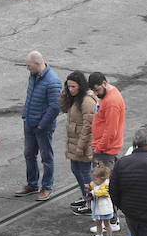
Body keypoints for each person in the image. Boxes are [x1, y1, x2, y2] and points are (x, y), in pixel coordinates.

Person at [16, 51, 61, 202]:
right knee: (29, 154)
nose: (27, 69)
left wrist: (42, 125)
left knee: (46, 157)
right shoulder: (33, 76)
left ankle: (47, 187)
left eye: (29, 66)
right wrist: (25, 114)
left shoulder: (52, 81)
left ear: (37, 64)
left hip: (42, 127)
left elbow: (55, 107)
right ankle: (32, 184)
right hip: (29, 122)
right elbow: (30, 96)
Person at [60, 71, 94, 212]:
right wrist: (64, 94)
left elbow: (89, 126)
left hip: (83, 144)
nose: (71, 89)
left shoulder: (87, 101)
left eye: (73, 86)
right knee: (76, 169)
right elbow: (63, 108)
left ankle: (92, 202)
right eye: (69, 86)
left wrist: (81, 146)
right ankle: (86, 196)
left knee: (86, 173)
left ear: (81, 86)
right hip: (74, 142)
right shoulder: (75, 98)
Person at [89, 72, 125, 175]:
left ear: (104, 83)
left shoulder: (111, 102)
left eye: (97, 90)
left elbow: (110, 131)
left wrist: (99, 149)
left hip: (105, 151)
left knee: (102, 187)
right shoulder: (106, 94)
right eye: (93, 91)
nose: (96, 94)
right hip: (103, 148)